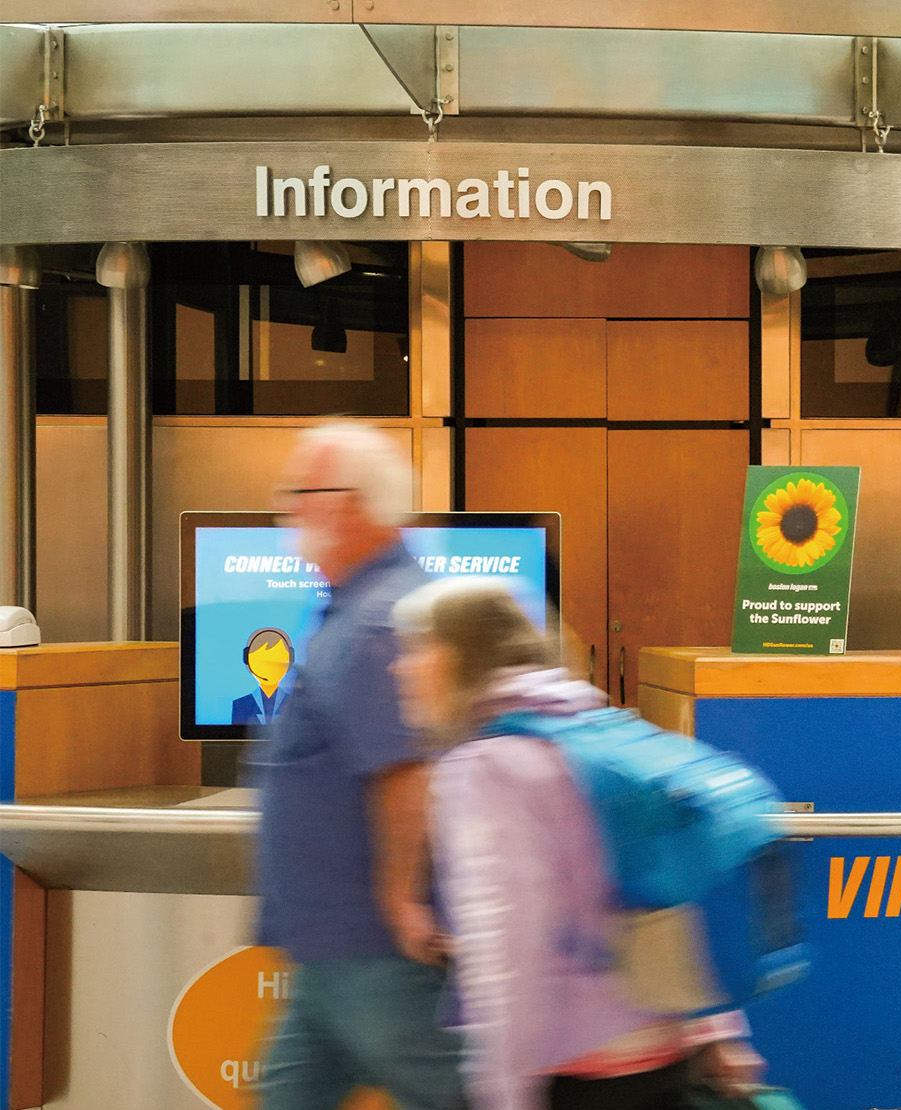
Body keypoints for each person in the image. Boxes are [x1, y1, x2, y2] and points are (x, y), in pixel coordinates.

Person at [389, 576, 764, 1110]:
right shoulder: (599, 726)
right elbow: (671, 889)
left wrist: (505, 1093)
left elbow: (509, 951)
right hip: (662, 1052)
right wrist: (716, 1029)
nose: (400, 667)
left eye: (415, 649)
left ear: (453, 658)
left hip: (578, 1072)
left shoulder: (487, 770)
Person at [251, 422, 465, 1110]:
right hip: (333, 954)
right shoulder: (365, 607)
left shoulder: (378, 621)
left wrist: (401, 900)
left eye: (301, 493)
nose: (290, 511)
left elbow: (405, 770)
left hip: (378, 951)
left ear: (350, 504)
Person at [232, 627, 294, 726]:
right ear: (248, 661)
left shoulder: (297, 704)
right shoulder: (240, 705)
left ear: (290, 661)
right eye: (261, 662)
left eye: (276, 661)